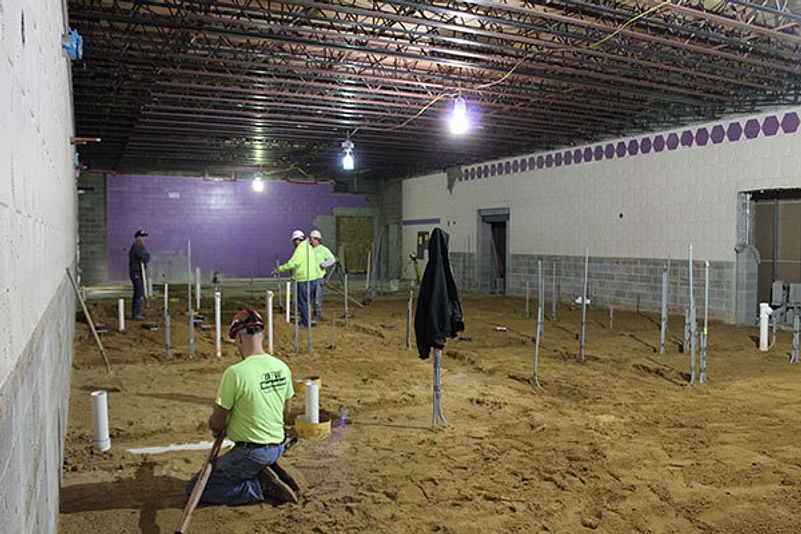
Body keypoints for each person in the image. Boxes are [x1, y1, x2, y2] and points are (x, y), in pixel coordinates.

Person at [185, 310, 298, 505]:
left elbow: (217, 422)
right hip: (278, 444)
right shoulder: (282, 367)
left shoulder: (235, 373)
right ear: (262, 335)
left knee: (196, 489)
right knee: (244, 462)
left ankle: (257, 487)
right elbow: (286, 411)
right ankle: (261, 470)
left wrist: (217, 427)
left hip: (251, 452)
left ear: (238, 338)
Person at [271, 230, 322, 328]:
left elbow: (293, 263)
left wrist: (279, 269)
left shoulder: (301, 248)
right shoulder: (308, 247)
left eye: (294, 241)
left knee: (303, 302)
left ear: (297, 240)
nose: (293, 244)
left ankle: (305, 323)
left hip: (304, 279)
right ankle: (306, 320)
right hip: (312, 278)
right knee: (307, 301)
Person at [309, 229, 336, 320]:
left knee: (317, 299)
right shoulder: (309, 249)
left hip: (319, 278)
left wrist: (324, 264)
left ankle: (316, 316)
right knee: (309, 298)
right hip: (309, 277)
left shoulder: (323, 249)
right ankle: (308, 316)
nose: (311, 241)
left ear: (317, 239)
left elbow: (332, 259)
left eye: (312, 239)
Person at [128, 230, 150, 320]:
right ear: (138, 238)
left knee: (139, 292)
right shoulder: (136, 247)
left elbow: (147, 256)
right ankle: (136, 313)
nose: (144, 239)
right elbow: (145, 257)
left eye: (144, 237)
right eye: (142, 237)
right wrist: (145, 257)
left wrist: (146, 257)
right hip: (136, 273)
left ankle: (137, 312)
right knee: (138, 292)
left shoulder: (140, 246)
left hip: (139, 272)